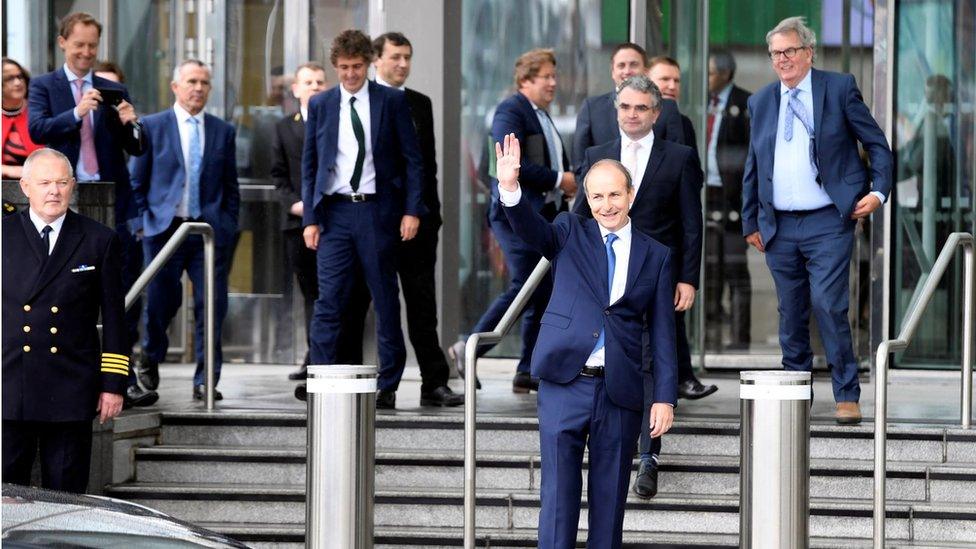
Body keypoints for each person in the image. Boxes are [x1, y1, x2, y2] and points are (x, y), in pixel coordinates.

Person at [496, 134, 677, 548]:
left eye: (614, 194)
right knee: (557, 502)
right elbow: (530, 230)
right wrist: (510, 188)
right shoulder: (568, 231)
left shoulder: (657, 254)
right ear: (588, 200)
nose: (606, 205)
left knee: (609, 506)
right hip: (564, 383)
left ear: (630, 195)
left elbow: (664, 333)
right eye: (597, 197)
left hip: (620, 393)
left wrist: (664, 397)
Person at [742, 16, 892, 425]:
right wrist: (750, 218)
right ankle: (796, 393)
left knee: (828, 304)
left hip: (829, 219)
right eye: (776, 53)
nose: (783, 59)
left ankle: (846, 392)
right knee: (790, 313)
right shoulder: (761, 101)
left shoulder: (838, 88)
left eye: (790, 50)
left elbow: (875, 143)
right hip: (779, 226)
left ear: (809, 52)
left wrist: (878, 191)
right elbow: (754, 164)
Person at [575, 75, 702, 500]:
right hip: (605, 278)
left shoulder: (679, 157)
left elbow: (690, 223)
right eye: (625, 107)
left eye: (641, 108)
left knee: (653, 357)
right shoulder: (597, 154)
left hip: (656, 276)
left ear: (656, 113)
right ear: (616, 109)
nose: (632, 115)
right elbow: (579, 218)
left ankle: (649, 455)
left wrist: (688, 277)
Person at [27, 13, 153, 408]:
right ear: (63, 42)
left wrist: (132, 124)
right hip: (65, 199)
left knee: (117, 292)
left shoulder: (112, 87)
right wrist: (78, 112)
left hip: (108, 198)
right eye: (79, 45)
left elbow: (134, 148)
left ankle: (122, 377)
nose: (86, 53)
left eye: (92, 46)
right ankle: (74, 374)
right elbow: (37, 131)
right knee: (69, 292)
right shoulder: (44, 85)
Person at [332, 32, 463, 407]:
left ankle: (433, 382)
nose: (402, 64)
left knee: (422, 303)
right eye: (395, 57)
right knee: (359, 301)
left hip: (417, 222)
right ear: (376, 59)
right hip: (372, 218)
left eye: (408, 57)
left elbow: (425, 166)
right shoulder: (360, 101)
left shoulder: (419, 103)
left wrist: (424, 213)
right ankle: (351, 378)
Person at [300, 30, 425, 409]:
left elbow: (412, 160)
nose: (351, 74)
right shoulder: (321, 104)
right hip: (334, 212)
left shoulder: (389, 101)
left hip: (376, 210)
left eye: (357, 67)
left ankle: (388, 382)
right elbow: (310, 164)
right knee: (329, 300)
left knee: (385, 297)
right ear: (335, 67)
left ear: (369, 64)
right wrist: (310, 217)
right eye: (343, 68)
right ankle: (319, 377)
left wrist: (411, 210)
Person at [450, 48, 576, 394]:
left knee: (543, 289)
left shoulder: (543, 114)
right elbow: (511, 162)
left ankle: (527, 370)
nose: (554, 82)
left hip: (543, 216)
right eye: (546, 76)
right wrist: (558, 180)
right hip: (515, 216)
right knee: (525, 283)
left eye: (554, 75)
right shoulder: (511, 110)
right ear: (525, 80)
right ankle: (470, 347)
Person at [2, 148, 127, 493]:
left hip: (70, 387)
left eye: (61, 182)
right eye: (44, 183)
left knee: (66, 497)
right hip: (10, 384)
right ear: (25, 187)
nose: (53, 191)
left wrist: (113, 383)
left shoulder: (99, 239)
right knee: (6, 498)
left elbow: (115, 318)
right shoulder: (3, 234)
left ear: (72, 186)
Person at [130, 59, 240, 401]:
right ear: (175, 87)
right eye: (191, 81)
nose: (198, 88)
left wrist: (228, 226)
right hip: (164, 231)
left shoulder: (223, 130)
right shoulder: (152, 126)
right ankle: (150, 355)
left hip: (207, 233)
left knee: (212, 305)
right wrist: (142, 224)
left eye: (204, 83)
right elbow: (136, 181)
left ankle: (206, 379)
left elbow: (231, 187)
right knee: (161, 303)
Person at [272, 62, 327, 381]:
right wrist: (298, 206)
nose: (315, 86)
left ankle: (323, 357)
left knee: (330, 293)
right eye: (308, 82)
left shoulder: (334, 124)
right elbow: (278, 176)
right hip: (297, 224)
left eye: (320, 81)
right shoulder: (283, 127)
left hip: (332, 224)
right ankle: (312, 356)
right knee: (311, 293)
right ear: (296, 89)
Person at [703, 50, 752, 351]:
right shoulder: (701, 100)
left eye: (709, 72)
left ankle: (739, 341)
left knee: (735, 269)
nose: (706, 78)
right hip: (706, 192)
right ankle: (710, 339)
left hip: (733, 196)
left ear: (725, 74)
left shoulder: (745, 103)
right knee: (710, 268)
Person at [572, 43, 685, 171]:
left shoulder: (667, 107)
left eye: (634, 64)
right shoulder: (591, 108)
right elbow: (580, 162)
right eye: (621, 65)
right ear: (613, 71)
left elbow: (678, 159)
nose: (627, 71)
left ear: (646, 71)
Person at [647, 55, 699, 153]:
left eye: (677, 81)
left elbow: (692, 165)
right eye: (665, 79)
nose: (672, 86)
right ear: (647, 82)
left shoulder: (685, 123)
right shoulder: (634, 118)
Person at [2, 58, 44, 179]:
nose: (17, 83)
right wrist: (6, 169)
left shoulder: (40, 110)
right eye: (9, 79)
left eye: (20, 77)